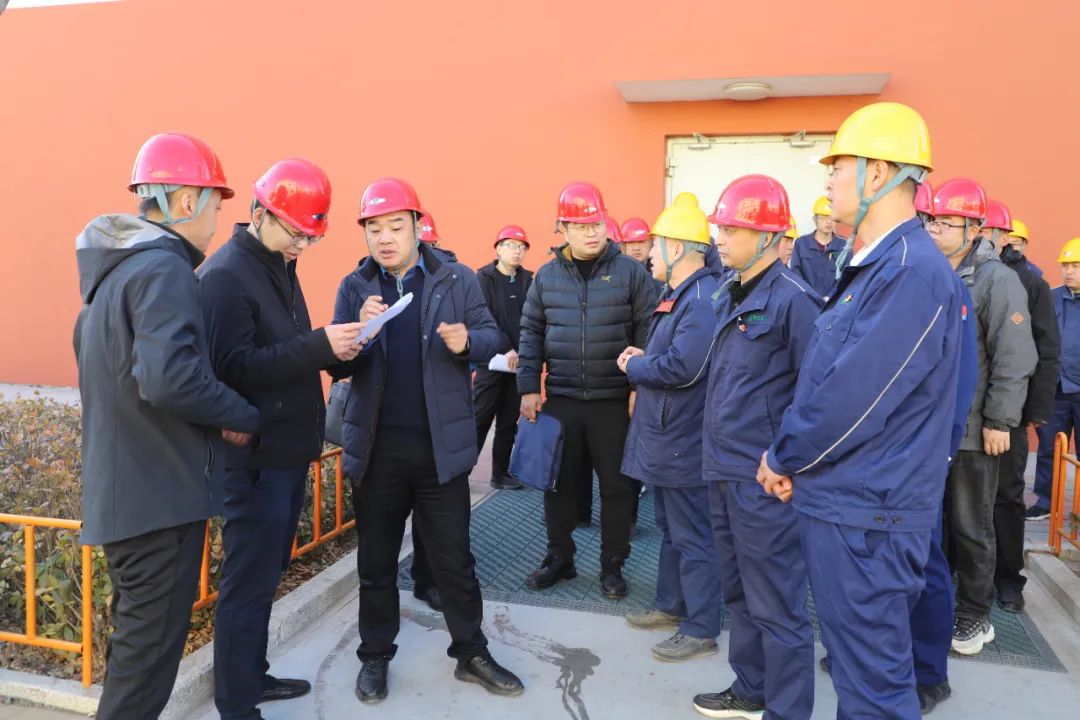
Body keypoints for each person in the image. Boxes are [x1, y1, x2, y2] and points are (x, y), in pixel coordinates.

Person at [755, 102, 965, 718]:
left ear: (878, 173)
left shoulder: (910, 272)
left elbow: (852, 399)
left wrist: (784, 456)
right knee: (859, 676)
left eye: (837, 167)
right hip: (850, 504)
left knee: (873, 690)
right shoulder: (875, 264)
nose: (827, 180)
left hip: (869, 516)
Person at [74, 132, 260, 719]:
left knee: (135, 660)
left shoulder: (113, 278)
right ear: (185, 202)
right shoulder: (164, 269)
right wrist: (239, 413)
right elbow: (169, 378)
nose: (217, 221)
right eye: (215, 205)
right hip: (159, 505)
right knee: (143, 678)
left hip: (126, 501)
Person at [329, 178, 523, 703]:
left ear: (417, 226)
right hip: (378, 453)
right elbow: (336, 362)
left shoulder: (456, 279)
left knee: (453, 560)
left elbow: (494, 336)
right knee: (376, 564)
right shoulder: (355, 286)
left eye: (396, 225)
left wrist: (468, 342)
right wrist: (357, 334)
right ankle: (374, 656)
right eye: (374, 228)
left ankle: (471, 653)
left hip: (440, 451)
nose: (385, 237)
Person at [197, 158, 364, 719]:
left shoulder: (276, 264)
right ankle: (236, 703)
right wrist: (319, 346)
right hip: (253, 460)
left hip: (285, 453)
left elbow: (282, 349)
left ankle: (253, 677)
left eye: (310, 237)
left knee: (266, 576)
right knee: (246, 583)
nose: (301, 245)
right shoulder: (226, 276)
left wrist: (337, 349)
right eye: (294, 232)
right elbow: (232, 367)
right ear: (258, 211)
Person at [691, 175, 821, 719]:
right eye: (719, 228)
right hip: (724, 468)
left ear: (768, 237)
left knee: (777, 602)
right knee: (740, 591)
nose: (719, 238)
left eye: (732, 229)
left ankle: (786, 709)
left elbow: (816, 397)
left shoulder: (795, 302)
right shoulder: (732, 290)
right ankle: (751, 688)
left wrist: (788, 462)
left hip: (766, 477)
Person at [518, 181, 654, 598]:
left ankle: (612, 566)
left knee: (617, 488)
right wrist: (528, 386)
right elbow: (530, 332)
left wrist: (639, 386)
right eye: (581, 226)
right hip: (561, 398)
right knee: (558, 484)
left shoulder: (631, 273)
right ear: (562, 228)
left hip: (613, 400)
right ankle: (559, 558)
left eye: (596, 223)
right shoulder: (546, 277)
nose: (592, 232)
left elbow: (648, 330)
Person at [928, 179, 1036, 656]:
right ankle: (933, 604)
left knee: (971, 524)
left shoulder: (996, 280)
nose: (934, 229)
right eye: (931, 220)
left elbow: (1014, 356)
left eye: (945, 223)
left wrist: (999, 421)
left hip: (974, 429)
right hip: (930, 427)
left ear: (973, 230)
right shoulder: (930, 271)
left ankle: (975, 612)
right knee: (931, 523)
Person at [618, 193, 723, 663]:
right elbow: (675, 356)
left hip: (682, 437)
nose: (649, 253)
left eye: (656, 243)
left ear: (677, 248)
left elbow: (685, 367)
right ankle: (669, 605)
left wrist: (637, 367)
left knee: (692, 534)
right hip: (668, 435)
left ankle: (700, 627)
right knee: (671, 527)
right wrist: (646, 357)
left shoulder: (699, 299)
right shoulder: (680, 294)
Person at [982, 200, 1059, 614]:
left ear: (1003, 236)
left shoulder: (1030, 282)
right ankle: (965, 571)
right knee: (961, 496)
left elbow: (1047, 351)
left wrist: (1035, 412)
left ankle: (1008, 579)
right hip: (970, 410)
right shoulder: (963, 274)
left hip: (1010, 412)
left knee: (1007, 496)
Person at [474, 224, 532, 490]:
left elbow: (532, 319)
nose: (517, 251)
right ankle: (461, 473)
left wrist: (525, 351)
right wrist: (506, 347)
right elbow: (483, 317)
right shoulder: (483, 278)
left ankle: (500, 474)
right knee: (480, 419)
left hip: (518, 364)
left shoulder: (528, 280)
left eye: (522, 247)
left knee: (509, 421)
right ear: (498, 249)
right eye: (511, 245)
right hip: (492, 361)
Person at [1030, 238, 1080, 518]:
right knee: (1049, 448)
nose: (1068, 271)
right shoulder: (1051, 297)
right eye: (1065, 265)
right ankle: (1046, 503)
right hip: (1056, 390)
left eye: (1075, 265)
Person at [788, 195, 847, 299]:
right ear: (814, 219)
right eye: (823, 218)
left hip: (833, 303)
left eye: (831, 217)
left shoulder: (844, 245)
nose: (829, 222)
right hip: (806, 300)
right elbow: (795, 274)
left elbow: (846, 277)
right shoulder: (801, 244)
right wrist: (809, 297)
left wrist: (829, 297)